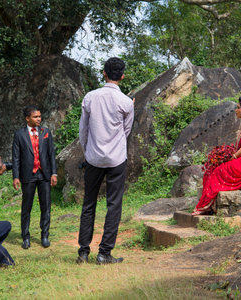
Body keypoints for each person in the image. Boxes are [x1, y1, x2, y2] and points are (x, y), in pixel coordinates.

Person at [77, 57, 134, 265]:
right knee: (113, 205)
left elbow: (83, 130)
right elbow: (126, 131)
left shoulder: (90, 97)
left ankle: (83, 252)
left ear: (104, 73)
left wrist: (87, 151)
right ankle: (104, 253)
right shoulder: (126, 102)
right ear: (122, 76)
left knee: (89, 204)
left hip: (93, 158)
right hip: (116, 158)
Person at [193, 96, 241, 215]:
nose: (236, 110)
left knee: (218, 171)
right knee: (211, 170)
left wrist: (233, 157)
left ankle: (207, 205)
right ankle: (209, 204)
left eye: (238, 108)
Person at [12, 105, 57, 249]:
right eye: (35, 117)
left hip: (44, 175)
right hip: (28, 175)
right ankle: (25, 237)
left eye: (39, 116)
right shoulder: (19, 134)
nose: (39, 119)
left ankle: (45, 236)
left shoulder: (46, 132)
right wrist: (16, 176)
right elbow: (16, 157)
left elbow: (51, 154)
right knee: (26, 207)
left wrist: (54, 173)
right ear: (27, 118)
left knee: (46, 206)